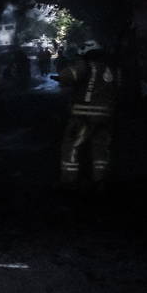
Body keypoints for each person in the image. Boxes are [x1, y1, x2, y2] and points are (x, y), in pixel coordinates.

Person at [53, 40, 119, 190]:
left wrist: (61, 76)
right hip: (106, 116)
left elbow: (68, 76)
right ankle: (100, 180)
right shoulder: (110, 69)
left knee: (72, 145)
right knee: (100, 147)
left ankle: (69, 181)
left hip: (84, 116)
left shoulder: (85, 65)